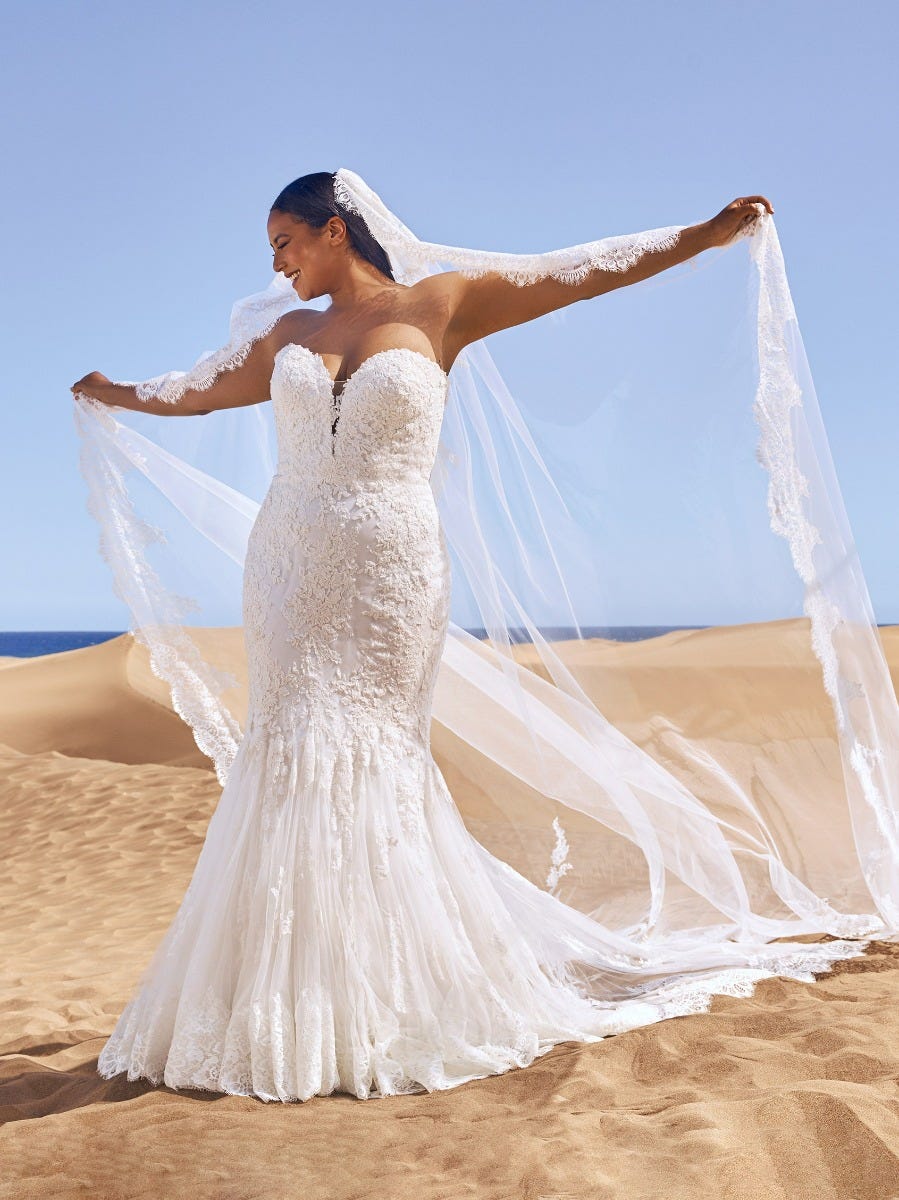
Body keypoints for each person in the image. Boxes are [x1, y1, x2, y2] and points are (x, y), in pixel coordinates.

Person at [69, 170, 897, 1103]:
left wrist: (700, 235)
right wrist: (118, 392)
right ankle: (276, 997)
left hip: (391, 570)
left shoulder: (443, 304)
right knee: (291, 745)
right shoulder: (284, 337)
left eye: (285, 243)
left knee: (374, 752)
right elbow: (201, 394)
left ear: (334, 230)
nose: (278, 265)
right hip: (290, 567)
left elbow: (576, 274)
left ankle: (388, 992)